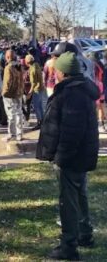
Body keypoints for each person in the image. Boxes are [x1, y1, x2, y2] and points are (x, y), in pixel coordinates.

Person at [35, 52, 99, 261]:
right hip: (81, 155)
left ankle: (69, 244)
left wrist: (61, 157)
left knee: (68, 201)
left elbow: (72, 131)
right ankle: (85, 234)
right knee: (80, 194)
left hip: (72, 157)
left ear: (62, 72)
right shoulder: (80, 90)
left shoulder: (72, 94)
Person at [1, 50, 26, 142]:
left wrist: (4, 93)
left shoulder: (8, 67)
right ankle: (19, 134)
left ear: (7, 57)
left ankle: (11, 134)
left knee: (11, 115)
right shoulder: (19, 66)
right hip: (19, 93)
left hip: (10, 94)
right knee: (19, 113)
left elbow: (7, 82)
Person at [26, 54, 45, 131]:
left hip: (36, 90)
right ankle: (43, 121)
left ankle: (39, 122)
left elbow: (33, 83)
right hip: (41, 88)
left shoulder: (32, 70)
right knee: (40, 106)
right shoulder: (37, 65)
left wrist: (29, 93)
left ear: (27, 62)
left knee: (37, 107)